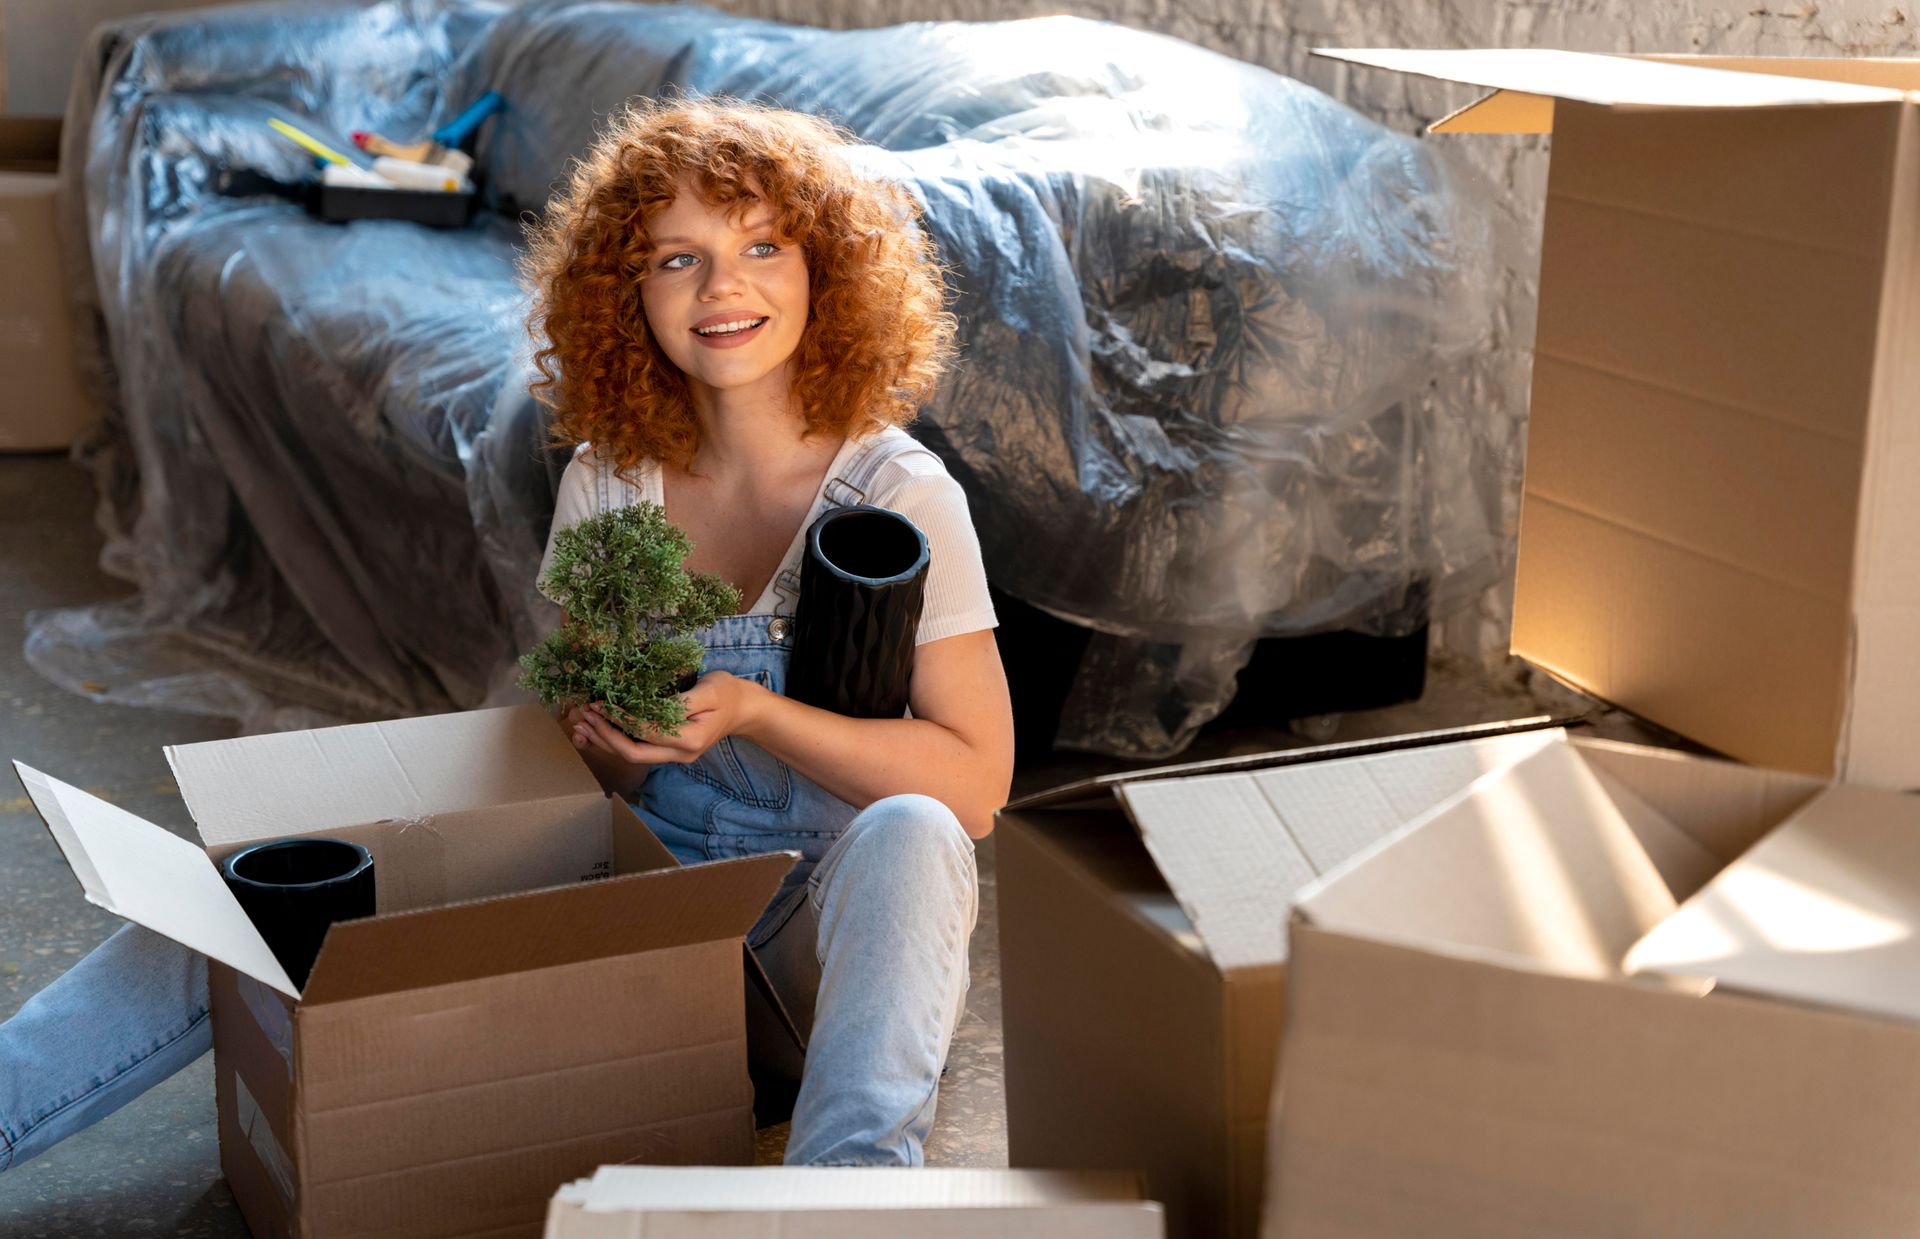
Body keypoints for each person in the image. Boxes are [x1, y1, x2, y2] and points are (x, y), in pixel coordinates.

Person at [0, 97, 1014, 1173]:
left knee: (915, 831)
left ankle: (845, 1198)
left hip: (815, 972)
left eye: (764, 245)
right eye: (678, 259)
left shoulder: (902, 496)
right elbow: (583, 783)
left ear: (827, 273)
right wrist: (599, 748)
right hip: (641, 940)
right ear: (628, 293)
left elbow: (975, 785)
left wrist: (758, 712)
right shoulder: (611, 482)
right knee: (272, 879)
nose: (725, 287)